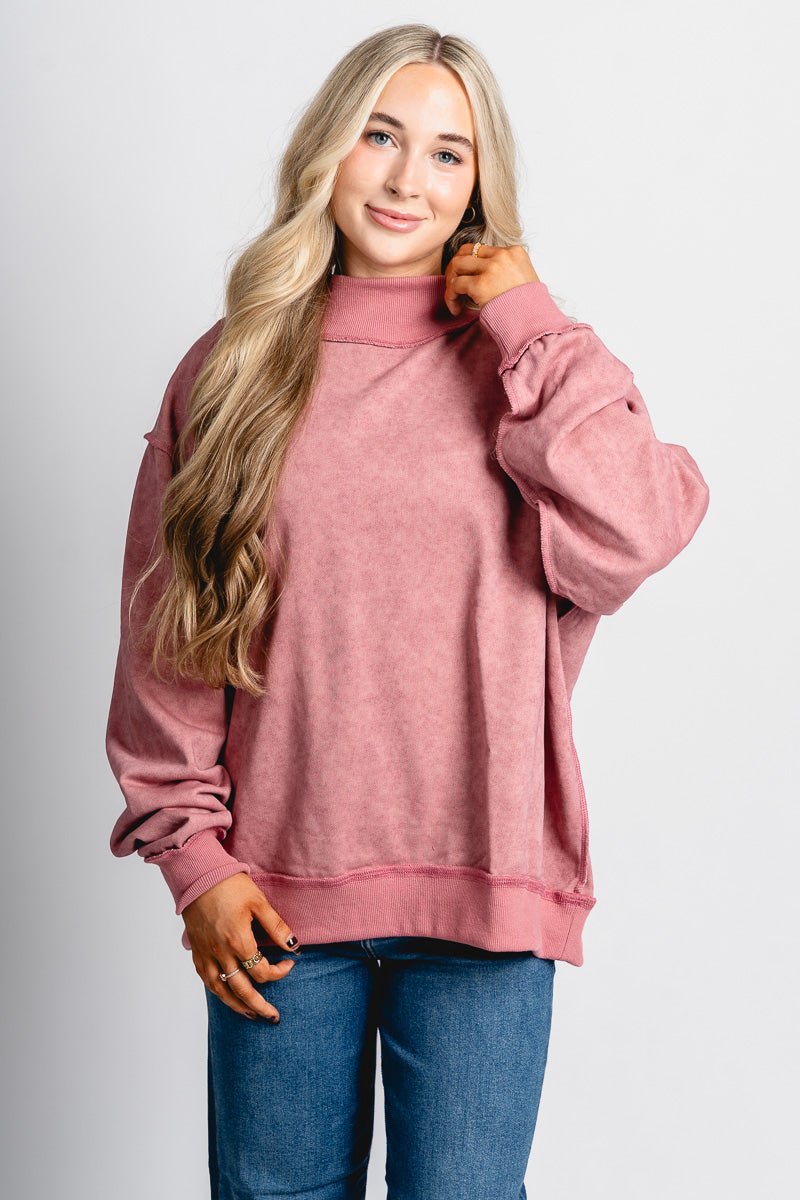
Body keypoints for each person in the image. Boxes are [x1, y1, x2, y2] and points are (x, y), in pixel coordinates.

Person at [105, 23, 710, 1200]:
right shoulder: (230, 369)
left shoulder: (524, 368)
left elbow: (639, 526)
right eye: (379, 136)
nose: (404, 178)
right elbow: (169, 638)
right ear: (328, 147)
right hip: (272, 900)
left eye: (446, 153)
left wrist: (532, 320)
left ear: (480, 184)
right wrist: (195, 863)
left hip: (485, 899)